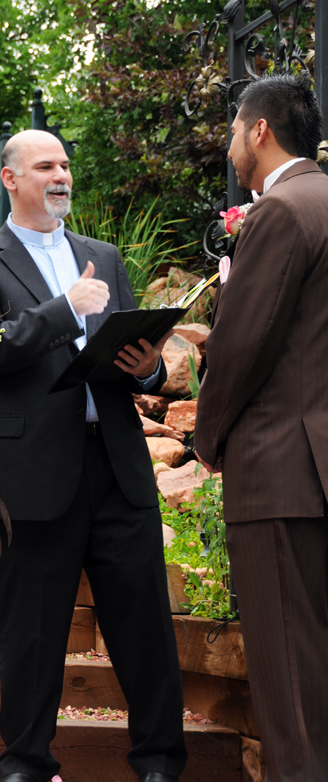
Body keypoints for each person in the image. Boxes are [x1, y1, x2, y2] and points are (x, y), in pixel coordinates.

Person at [0, 129, 187, 782]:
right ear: (9, 178)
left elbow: (140, 351)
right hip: (30, 471)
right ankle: (26, 762)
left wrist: (146, 366)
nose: (61, 175)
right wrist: (64, 308)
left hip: (115, 461)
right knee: (29, 628)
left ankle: (160, 762)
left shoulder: (103, 255)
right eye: (45, 165)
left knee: (143, 622)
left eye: (66, 165)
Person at [195, 71, 328, 782]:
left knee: (290, 692)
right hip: (320, 466)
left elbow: (244, 346)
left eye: (232, 131)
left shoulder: (281, 213)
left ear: (259, 131)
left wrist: (205, 441)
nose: (229, 147)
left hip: (281, 473)